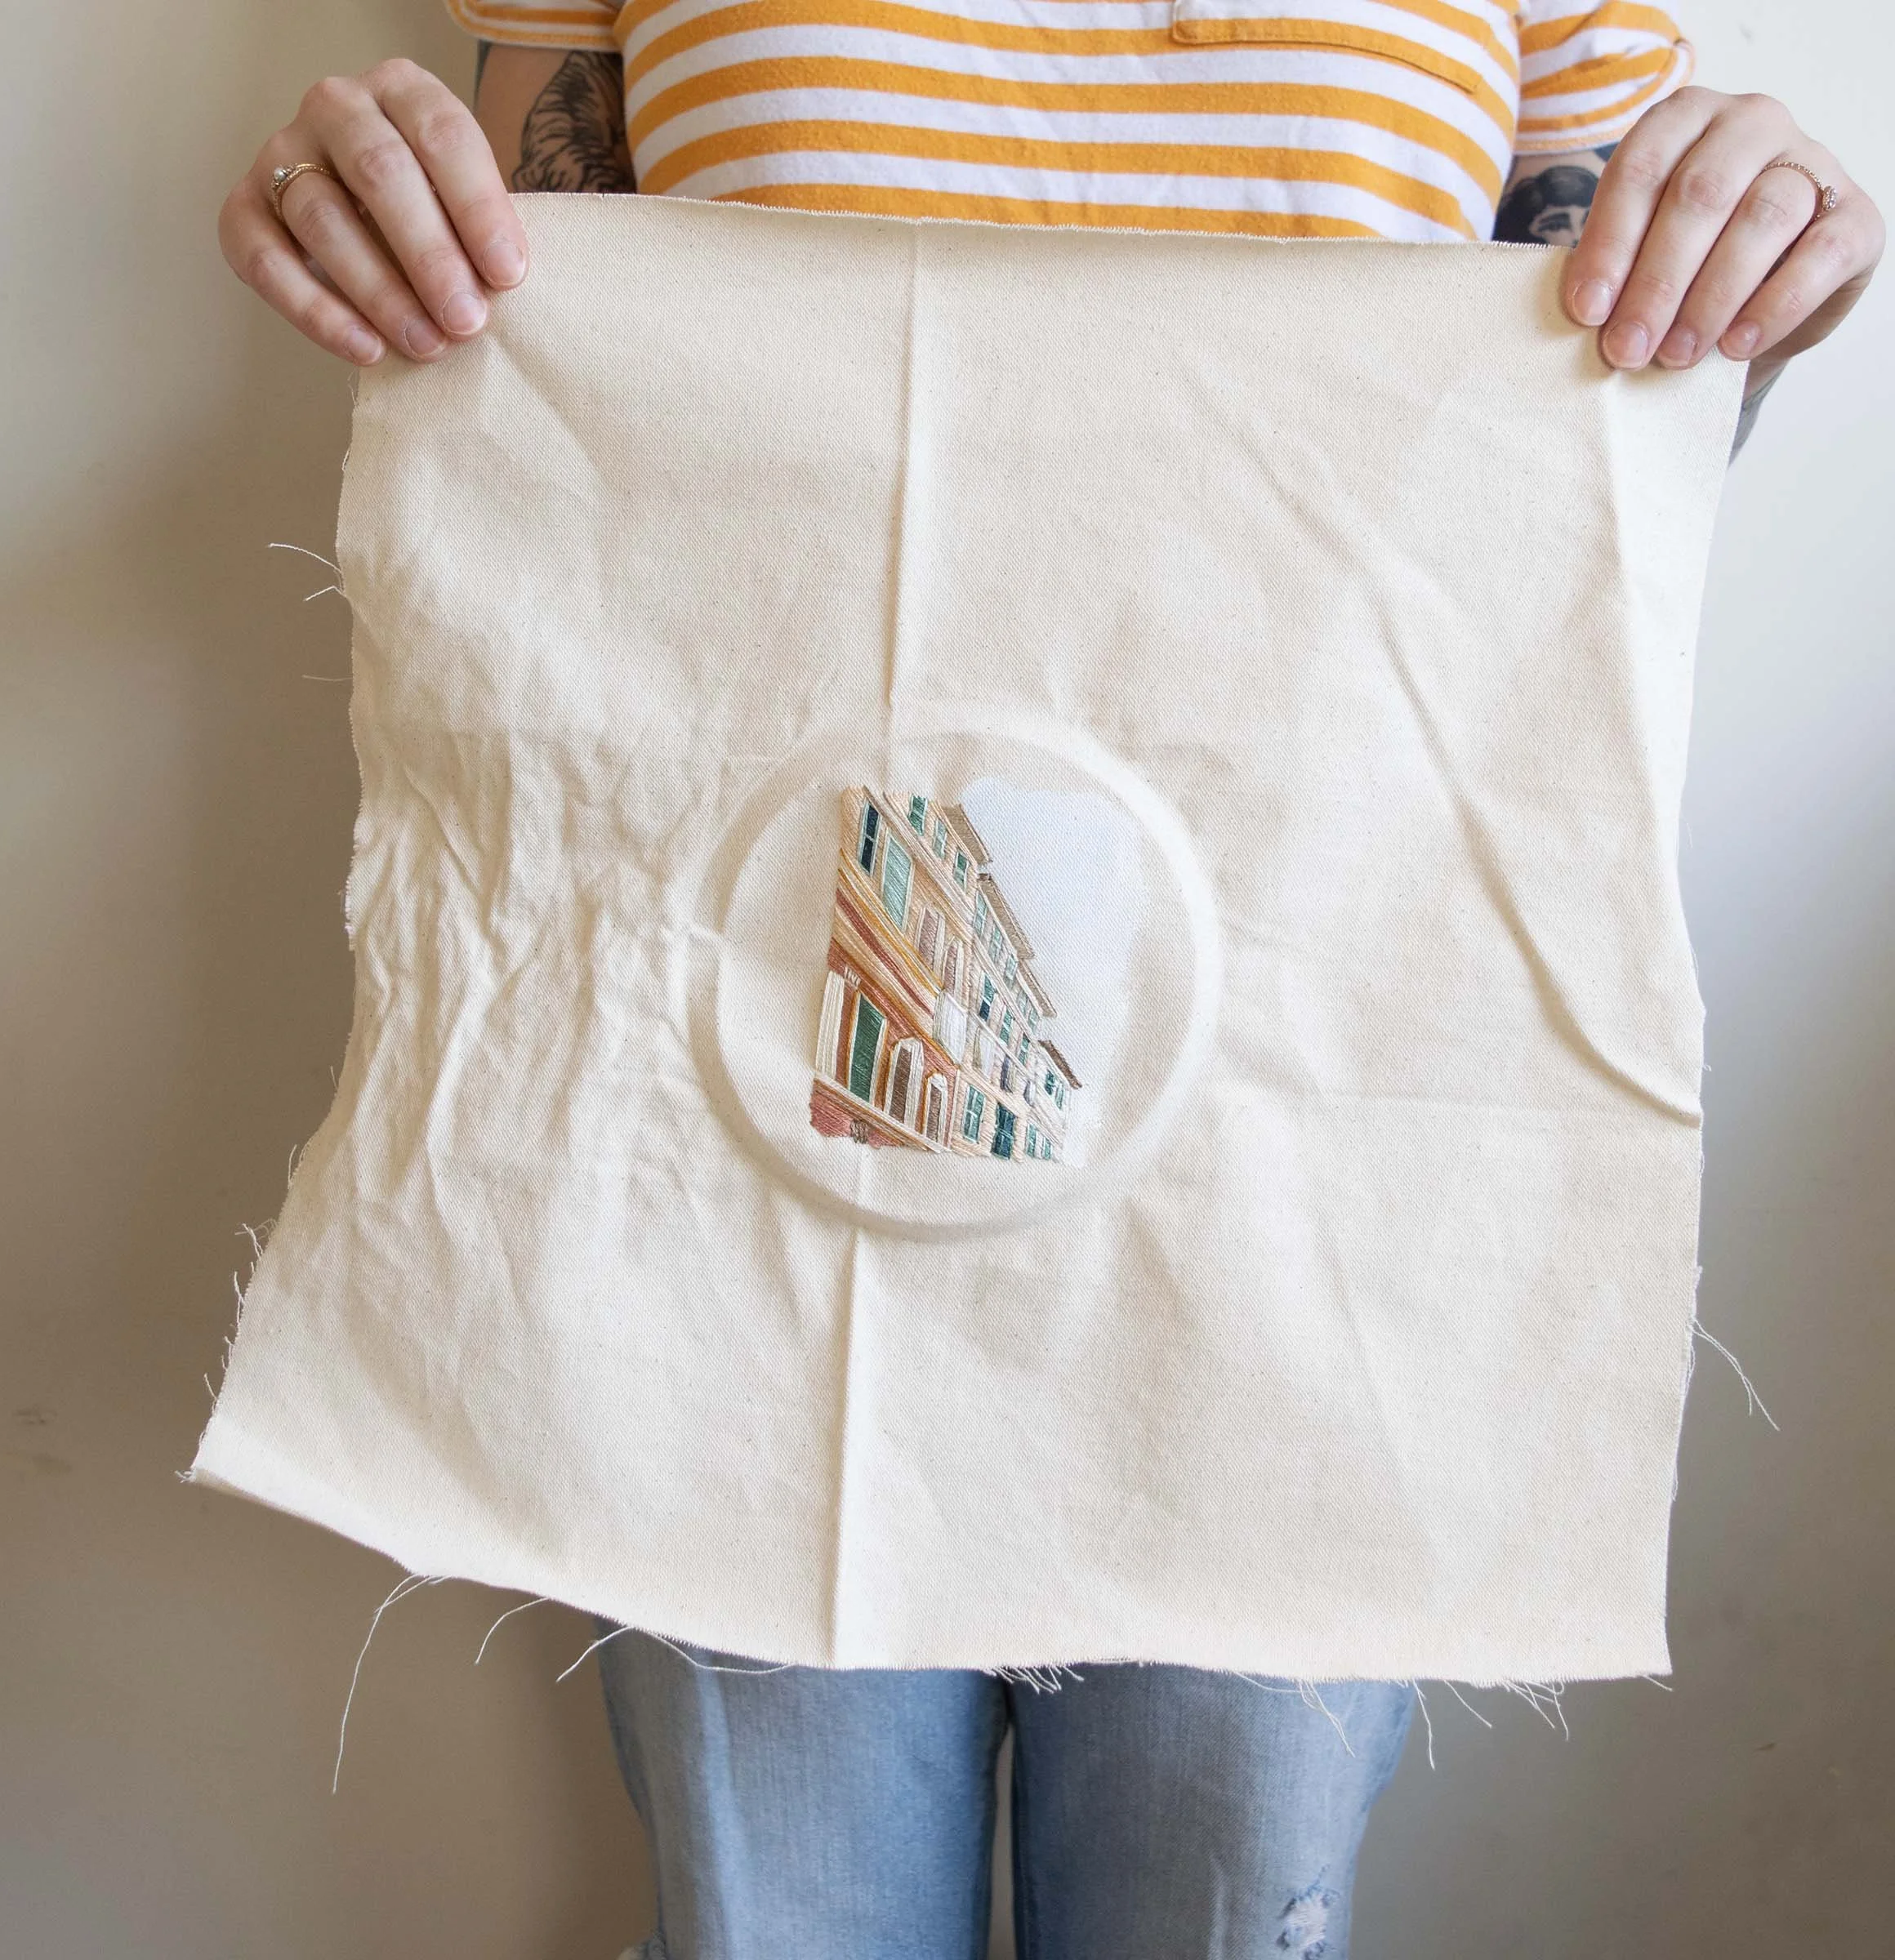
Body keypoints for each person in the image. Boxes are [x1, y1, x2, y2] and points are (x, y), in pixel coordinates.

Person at [218, 7, 1881, 1956]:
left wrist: (1750, 257)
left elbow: (1575, 452)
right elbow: (555, 405)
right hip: (756, 1081)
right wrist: (381, 209)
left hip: (1300, 1097)